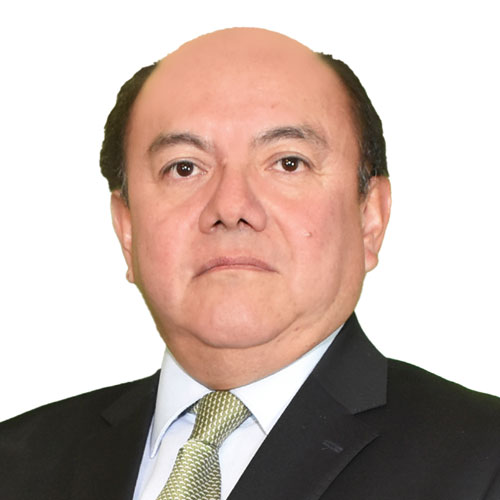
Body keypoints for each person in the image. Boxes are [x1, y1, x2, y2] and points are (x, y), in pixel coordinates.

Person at [1, 27, 499, 500]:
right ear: (127, 228)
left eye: (288, 163)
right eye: (184, 168)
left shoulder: (482, 460)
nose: (231, 206)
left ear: (370, 217)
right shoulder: (17, 463)